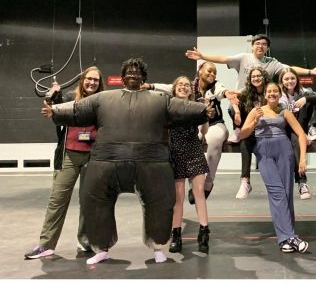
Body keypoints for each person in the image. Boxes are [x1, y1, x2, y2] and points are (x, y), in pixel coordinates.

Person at [42, 57, 209, 264]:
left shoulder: (160, 99)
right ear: (122, 77)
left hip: (151, 164)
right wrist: (56, 111)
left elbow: (184, 109)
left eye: (137, 72)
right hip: (106, 162)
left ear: (144, 78)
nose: (133, 74)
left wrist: (203, 111)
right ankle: (101, 248)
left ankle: (158, 247)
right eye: (129, 72)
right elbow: (78, 109)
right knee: (94, 198)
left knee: (161, 201)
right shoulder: (103, 99)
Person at [185, 33, 316, 142]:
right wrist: (203, 56)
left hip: (263, 101)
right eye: (257, 43)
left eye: (264, 44)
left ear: (267, 48)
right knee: (231, 108)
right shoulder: (243, 57)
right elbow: (224, 59)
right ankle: (238, 131)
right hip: (244, 98)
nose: (260, 46)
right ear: (252, 46)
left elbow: (289, 68)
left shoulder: (272, 62)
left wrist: (311, 72)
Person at [25, 67, 105, 259]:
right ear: (82, 80)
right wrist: (52, 95)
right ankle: (46, 245)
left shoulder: (103, 102)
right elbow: (50, 108)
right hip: (68, 155)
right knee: (57, 200)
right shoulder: (69, 97)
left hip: (93, 157)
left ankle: (85, 240)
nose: (92, 82)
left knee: (89, 201)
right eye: (89, 79)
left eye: (95, 80)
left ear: (99, 83)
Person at [146, 59, 238, 200]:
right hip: (195, 126)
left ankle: (208, 182)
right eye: (209, 70)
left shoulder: (215, 85)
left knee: (214, 138)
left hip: (215, 124)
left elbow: (221, 91)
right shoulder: (189, 87)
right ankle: (193, 185)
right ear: (200, 70)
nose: (212, 74)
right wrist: (150, 86)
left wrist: (226, 94)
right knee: (190, 140)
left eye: (215, 72)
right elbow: (169, 87)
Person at [239, 81, 309, 253]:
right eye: (269, 91)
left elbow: (301, 134)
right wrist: (254, 122)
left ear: (279, 94)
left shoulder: (285, 112)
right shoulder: (256, 111)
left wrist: (302, 159)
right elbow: (242, 134)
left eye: (275, 91)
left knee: (285, 194)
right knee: (276, 192)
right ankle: (291, 236)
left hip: (285, 152)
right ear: (265, 95)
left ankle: (284, 240)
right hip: (264, 153)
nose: (272, 94)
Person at [166, 76, 211, 254]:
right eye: (180, 84)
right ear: (175, 88)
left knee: (199, 192)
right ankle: (176, 235)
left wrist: (205, 116)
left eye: (186, 85)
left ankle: (204, 232)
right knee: (178, 196)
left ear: (190, 90)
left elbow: (204, 131)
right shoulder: (168, 106)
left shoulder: (195, 107)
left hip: (193, 149)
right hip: (175, 151)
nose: (183, 87)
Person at [278, 67, 316, 200]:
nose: (290, 81)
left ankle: (312, 128)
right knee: (296, 140)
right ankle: (302, 182)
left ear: (297, 80)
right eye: (286, 79)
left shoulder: (302, 91)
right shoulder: (279, 95)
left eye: (292, 78)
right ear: (282, 81)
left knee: (309, 96)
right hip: (286, 128)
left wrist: (306, 100)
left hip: (301, 126)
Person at [229, 66, 268, 199]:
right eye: (253, 77)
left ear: (264, 77)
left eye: (258, 76)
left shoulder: (270, 91)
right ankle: (245, 182)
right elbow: (232, 96)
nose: (256, 78)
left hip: (267, 129)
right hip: (251, 128)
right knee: (245, 142)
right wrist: (238, 112)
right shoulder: (247, 92)